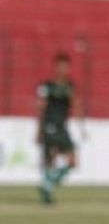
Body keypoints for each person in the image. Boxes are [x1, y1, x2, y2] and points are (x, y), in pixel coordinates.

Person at [36, 52, 85, 204]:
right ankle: (48, 191)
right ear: (56, 67)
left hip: (62, 127)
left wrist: (81, 126)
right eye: (61, 67)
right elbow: (41, 108)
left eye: (66, 67)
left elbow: (76, 105)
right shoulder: (47, 86)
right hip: (49, 125)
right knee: (50, 159)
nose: (63, 70)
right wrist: (39, 130)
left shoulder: (70, 87)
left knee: (72, 161)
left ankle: (48, 183)